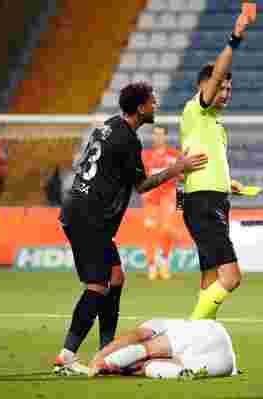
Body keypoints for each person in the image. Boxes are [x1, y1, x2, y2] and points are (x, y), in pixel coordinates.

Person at [53, 81, 208, 376]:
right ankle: (67, 356)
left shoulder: (109, 126)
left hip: (81, 209)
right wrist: (179, 167)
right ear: (140, 108)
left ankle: (107, 350)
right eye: (152, 102)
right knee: (98, 286)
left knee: (116, 277)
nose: (156, 106)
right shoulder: (128, 140)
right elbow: (142, 185)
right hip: (89, 217)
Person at [180, 10, 254, 320]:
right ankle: (192, 329)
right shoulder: (196, 110)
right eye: (220, 87)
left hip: (215, 198)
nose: (225, 93)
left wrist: (230, 184)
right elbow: (219, 71)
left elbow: (209, 164)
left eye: (228, 89)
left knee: (210, 278)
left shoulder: (217, 127)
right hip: (203, 201)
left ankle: (201, 339)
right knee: (231, 277)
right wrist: (234, 39)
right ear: (205, 87)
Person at [88, 318, 238, 380]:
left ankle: (107, 363)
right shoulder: (149, 363)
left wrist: (102, 357)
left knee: (147, 354)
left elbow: (137, 337)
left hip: (206, 341)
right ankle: (182, 372)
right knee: (149, 366)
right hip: (224, 363)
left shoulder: (156, 325)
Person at [141, 125, 183, 280]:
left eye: (160, 134)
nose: (157, 137)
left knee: (166, 229)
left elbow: (182, 178)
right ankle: (152, 266)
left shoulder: (174, 155)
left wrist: (181, 201)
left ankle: (164, 260)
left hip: (168, 197)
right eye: (155, 134)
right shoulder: (146, 156)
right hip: (151, 198)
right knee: (150, 230)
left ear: (165, 137)